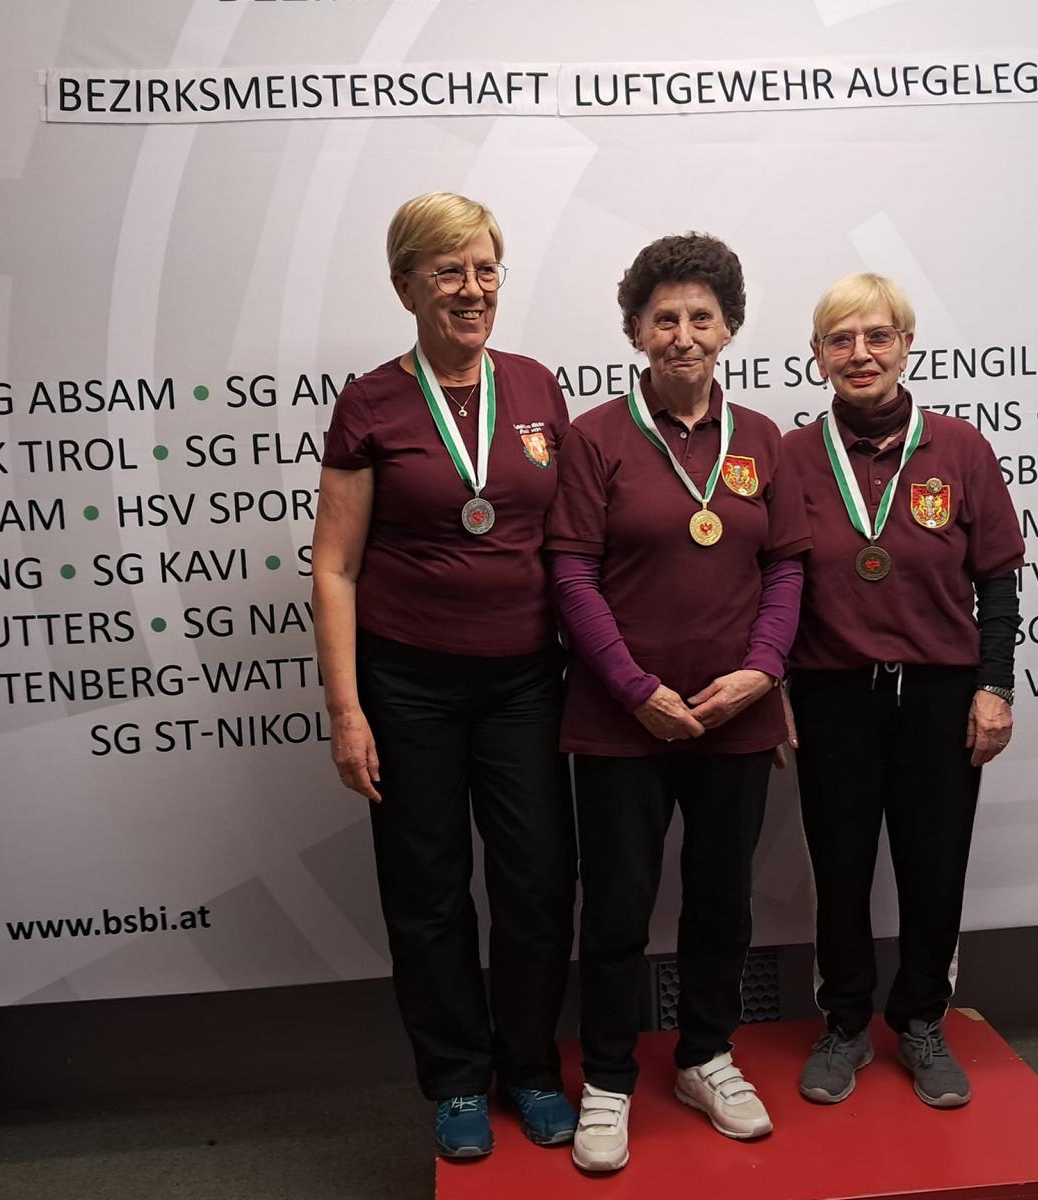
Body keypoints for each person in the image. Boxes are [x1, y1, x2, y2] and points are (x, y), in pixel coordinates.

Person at [311, 192, 577, 1159]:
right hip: (408, 688)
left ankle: (533, 1066)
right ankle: (458, 1080)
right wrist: (347, 710)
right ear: (405, 287)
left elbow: (571, 545)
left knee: (538, 883)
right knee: (426, 890)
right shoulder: (370, 404)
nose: (472, 289)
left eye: (485, 269)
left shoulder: (537, 387)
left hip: (525, 684)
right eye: (448, 270)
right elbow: (335, 567)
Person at [547, 233, 811, 1172]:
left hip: (736, 717)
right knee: (618, 906)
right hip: (621, 721)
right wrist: (636, 689)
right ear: (635, 331)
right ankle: (609, 1077)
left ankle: (706, 1054)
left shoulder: (764, 440)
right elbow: (571, 576)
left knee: (722, 901)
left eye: (702, 317)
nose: (684, 335)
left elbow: (786, 569)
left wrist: (763, 670)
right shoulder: (595, 438)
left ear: (729, 327)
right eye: (665, 318)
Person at [780, 272, 1024, 1110]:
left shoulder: (960, 449)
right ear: (817, 356)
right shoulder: (789, 456)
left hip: (938, 693)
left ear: (906, 346)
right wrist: (773, 683)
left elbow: (997, 581)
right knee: (840, 867)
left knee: (934, 863)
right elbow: (769, 583)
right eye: (841, 340)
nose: (861, 354)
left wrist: (995, 686)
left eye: (878, 336)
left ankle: (922, 1019)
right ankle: (845, 1022)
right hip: (831, 692)